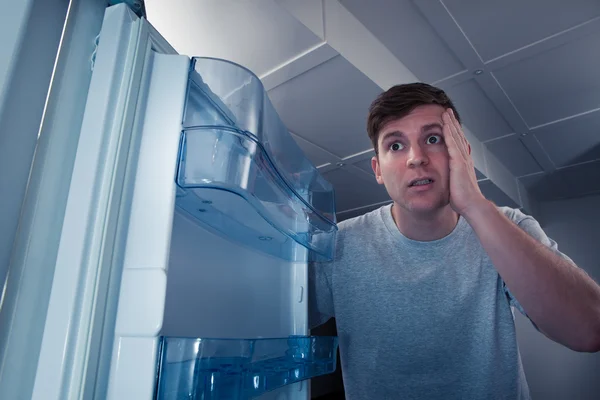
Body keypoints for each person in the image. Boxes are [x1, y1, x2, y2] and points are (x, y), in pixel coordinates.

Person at [308, 83, 600, 399]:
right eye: (395, 145)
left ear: (461, 153)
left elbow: (589, 329)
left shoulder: (509, 226)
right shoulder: (337, 245)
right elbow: (269, 323)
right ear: (378, 170)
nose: (416, 158)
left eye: (433, 139)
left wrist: (474, 203)